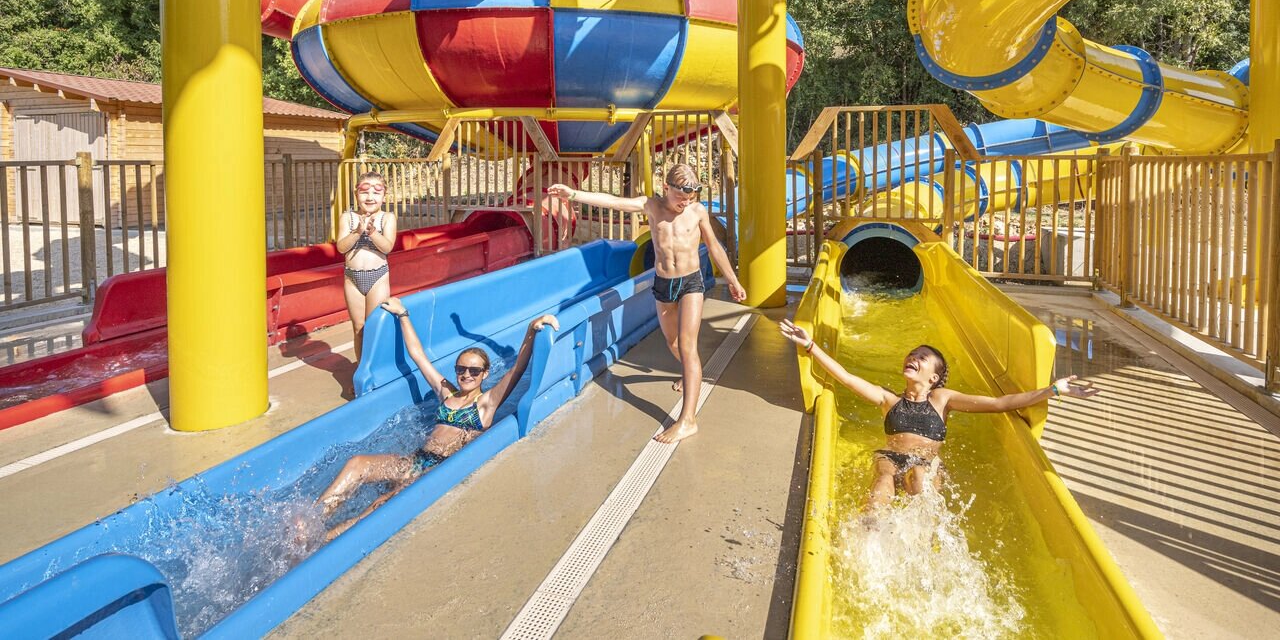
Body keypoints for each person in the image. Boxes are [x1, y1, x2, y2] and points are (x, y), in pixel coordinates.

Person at [777, 318, 1098, 511]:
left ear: (933, 377)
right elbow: (846, 377)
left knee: (919, 476)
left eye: (922, 357)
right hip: (891, 457)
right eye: (912, 355)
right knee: (883, 480)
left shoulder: (943, 400)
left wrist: (1053, 391)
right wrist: (810, 346)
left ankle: (922, 545)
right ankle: (870, 532)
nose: (913, 357)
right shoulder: (888, 400)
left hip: (925, 464)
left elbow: (1000, 403)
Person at [316, 298, 557, 537]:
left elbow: (517, 369)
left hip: (437, 470)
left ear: (485, 374)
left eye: (474, 371)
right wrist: (403, 315)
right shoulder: (446, 393)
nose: (466, 375)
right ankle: (314, 520)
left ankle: (328, 540)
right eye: (461, 369)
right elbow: (418, 356)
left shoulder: (486, 404)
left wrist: (531, 329)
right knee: (358, 463)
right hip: (416, 460)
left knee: (381, 503)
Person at [546, 164, 746, 444]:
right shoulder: (651, 206)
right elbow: (614, 201)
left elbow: (713, 247)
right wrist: (574, 194)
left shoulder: (697, 211)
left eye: (689, 199)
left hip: (691, 282)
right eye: (680, 198)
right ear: (667, 189)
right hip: (664, 283)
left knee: (688, 346)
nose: (684, 204)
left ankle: (688, 420)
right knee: (673, 344)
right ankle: (690, 373)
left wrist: (733, 281)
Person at [334, 171, 397, 361]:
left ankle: (375, 367)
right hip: (352, 278)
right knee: (359, 327)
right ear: (356, 195)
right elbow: (341, 247)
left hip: (377, 277)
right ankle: (361, 371)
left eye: (376, 192)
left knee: (374, 327)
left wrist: (372, 233)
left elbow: (387, 247)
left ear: (384, 196)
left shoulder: (387, 218)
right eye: (364, 192)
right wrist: (357, 232)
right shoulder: (348, 217)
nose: (370, 197)